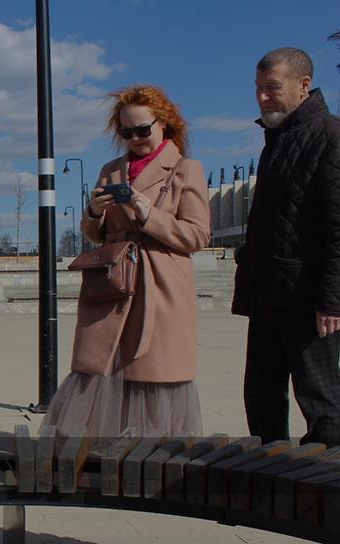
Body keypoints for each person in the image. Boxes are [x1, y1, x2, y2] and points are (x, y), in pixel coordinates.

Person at [41, 85, 210, 442]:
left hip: (159, 286)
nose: (134, 139)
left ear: (164, 123)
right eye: (125, 132)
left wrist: (150, 216)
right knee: (98, 366)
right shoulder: (111, 170)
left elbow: (197, 235)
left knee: (155, 372)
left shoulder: (185, 169)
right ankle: (96, 459)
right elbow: (96, 234)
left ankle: (153, 459)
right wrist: (94, 212)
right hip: (113, 284)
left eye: (142, 130)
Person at [233, 47, 340, 447]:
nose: (262, 97)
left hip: (310, 304)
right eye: (257, 88)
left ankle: (327, 480)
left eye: (272, 88)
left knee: (323, 406)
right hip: (268, 297)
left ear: (303, 85)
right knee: (261, 398)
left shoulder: (331, 136)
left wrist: (332, 301)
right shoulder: (276, 140)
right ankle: (269, 474)